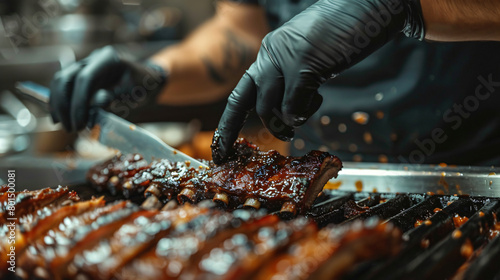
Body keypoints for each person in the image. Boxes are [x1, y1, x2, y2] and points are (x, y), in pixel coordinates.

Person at [50, 0, 500, 166]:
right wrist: (159, 72)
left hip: (474, 162)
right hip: (319, 178)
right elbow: (241, 30)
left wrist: (402, 6)